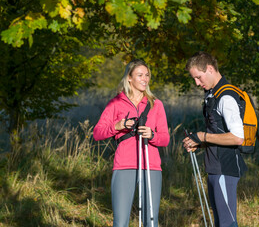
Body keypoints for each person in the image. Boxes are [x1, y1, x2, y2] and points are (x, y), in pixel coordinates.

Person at [93, 59, 170, 227]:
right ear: (129, 78)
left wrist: (152, 135)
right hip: (124, 165)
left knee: (151, 221)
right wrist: (117, 126)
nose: (145, 79)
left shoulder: (156, 104)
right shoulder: (116, 103)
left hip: (151, 166)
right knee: (120, 222)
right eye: (140, 75)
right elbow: (97, 133)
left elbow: (165, 139)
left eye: (147, 75)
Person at [182, 51, 248, 227]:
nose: (197, 83)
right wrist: (199, 142)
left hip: (225, 169)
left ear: (210, 69)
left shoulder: (226, 97)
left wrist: (203, 136)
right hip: (214, 169)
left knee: (227, 223)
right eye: (194, 79)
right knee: (220, 222)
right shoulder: (213, 95)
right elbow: (220, 133)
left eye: (198, 77)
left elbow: (237, 138)